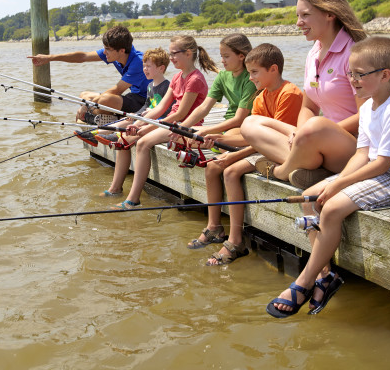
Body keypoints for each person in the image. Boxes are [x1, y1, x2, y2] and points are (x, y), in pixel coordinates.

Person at [266, 36, 390, 318]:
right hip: (377, 170)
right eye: (350, 73)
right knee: (309, 198)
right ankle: (325, 274)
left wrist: (339, 184)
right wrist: (335, 181)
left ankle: (304, 280)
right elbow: (361, 155)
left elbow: (382, 164)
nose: (352, 80)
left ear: (385, 75)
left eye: (359, 75)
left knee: (331, 210)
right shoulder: (367, 107)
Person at [240, 0, 368, 189]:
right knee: (251, 123)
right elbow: (309, 107)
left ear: (329, 14)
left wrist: (311, 134)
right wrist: (301, 134)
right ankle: (312, 168)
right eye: (298, 16)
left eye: (305, 15)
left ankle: (282, 171)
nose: (299, 23)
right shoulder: (313, 53)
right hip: (315, 140)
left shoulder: (355, 53)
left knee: (317, 125)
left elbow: (368, 115)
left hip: (354, 145)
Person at [190, 43, 303, 266]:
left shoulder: (290, 94)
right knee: (213, 165)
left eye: (254, 72)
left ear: (273, 69)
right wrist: (218, 138)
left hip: (284, 151)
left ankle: (235, 240)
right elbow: (248, 137)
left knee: (231, 171)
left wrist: (233, 156)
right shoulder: (260, 97)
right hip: (263, 147)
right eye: (249, 72)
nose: (250, 78)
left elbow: (270, 141)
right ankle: (215, 227)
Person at [111, 35, 218, 209]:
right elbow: (160, 108)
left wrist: (149, 127)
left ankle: (133, 198)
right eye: (170, 53)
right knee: (125, 139)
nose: (171, 58)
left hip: (185, 126)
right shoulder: (176, 78)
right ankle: (115, 188)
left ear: (188, 53)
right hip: (170, 122)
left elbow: (181, 114)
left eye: (174, 53)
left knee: (143, 143)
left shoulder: (195, 79)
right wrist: (138, 123)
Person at [27, 25, 150, 123]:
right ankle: (102, 116)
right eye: (104, 48)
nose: (104, 52)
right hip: (133, 97)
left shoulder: (138, 62)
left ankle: (106, 118)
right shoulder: (115, 53)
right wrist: (49, 58)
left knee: (104, 99)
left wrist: (87, 106)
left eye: (107, 49)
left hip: (146, 102)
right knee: (84, 95)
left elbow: (117, 90)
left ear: (122, 51)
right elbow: (83, 57)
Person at [96, 47, 171, 197]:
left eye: (149, 66)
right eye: (144, 66)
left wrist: (146, 116)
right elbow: (146, 106)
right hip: (149, 119)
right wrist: (136, 115)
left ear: (161, 68)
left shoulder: (166, 86)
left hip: (159, 122)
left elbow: (167, 111)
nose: (145, 69)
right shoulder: (150, 86)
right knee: (128, 121)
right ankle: (103, 134)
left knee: (130, 129)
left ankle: (110, 136)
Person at [171, 33, 257, 150]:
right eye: (221, 56)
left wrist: (206, 130)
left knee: (222, 145)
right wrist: (183, 128)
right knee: (180, 135)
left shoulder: (251, 79)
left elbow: (239, 119)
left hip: (245, 126)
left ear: (241, 56)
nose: (222, 61)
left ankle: (216, 143)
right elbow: (204, 107)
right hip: (227, 125)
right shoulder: (222, 75)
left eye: (226, 56)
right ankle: (214, 142)